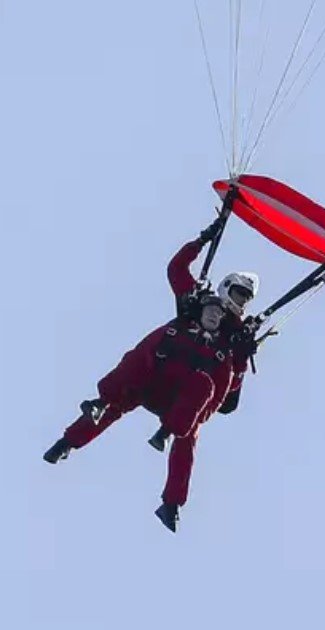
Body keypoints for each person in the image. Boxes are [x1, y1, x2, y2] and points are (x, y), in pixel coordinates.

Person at [43, 220, 261, 533]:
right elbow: (176, 270)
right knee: (125, 385)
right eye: (239, 295)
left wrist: (241, 359)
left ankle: (171, 502)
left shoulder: (236, 337)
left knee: (189, 435)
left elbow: (228, 394)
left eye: (245, 300)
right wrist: (202, 240)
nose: (239, 304)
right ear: (225, 288)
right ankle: (68, 440)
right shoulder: (194, 303)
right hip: (152, 378)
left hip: (183, 401)